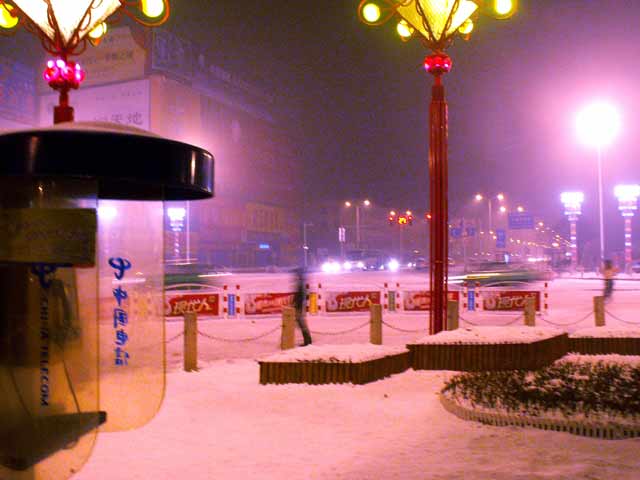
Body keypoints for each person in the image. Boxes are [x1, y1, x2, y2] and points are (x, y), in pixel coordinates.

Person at [293, 267, 312, 346]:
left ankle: (307, 341)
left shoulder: (300, 284)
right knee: (301, 323)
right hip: (300, 306)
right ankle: (307, 340)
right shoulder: (302, 283)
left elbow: (300, 296)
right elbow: (305, 296)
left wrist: (295, 304)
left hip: (299, 306)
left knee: (301, 323)